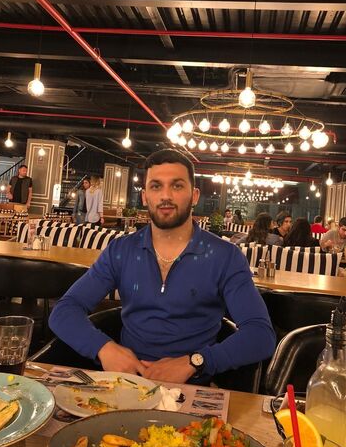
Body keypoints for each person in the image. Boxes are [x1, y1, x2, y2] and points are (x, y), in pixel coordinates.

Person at [49, 149, 275, 385]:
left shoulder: (225, 256)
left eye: (177, 186)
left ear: (194, 195)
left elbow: (260, 334)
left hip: (192, 389)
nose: (166, 196)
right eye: (156, 186)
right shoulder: (121, 250)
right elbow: (64, 311)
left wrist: (195, 362)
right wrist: (103, 348)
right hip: (127, 385)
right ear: (145, 196)